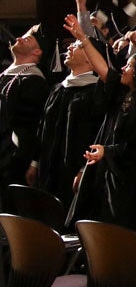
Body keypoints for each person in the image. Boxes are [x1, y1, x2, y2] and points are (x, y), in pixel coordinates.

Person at [64, 15, 136, 235]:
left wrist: (107, 151)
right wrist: (83, 39)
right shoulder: (124, 95)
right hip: (108, 177)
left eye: (129, 66)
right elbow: (103, 70)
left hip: (128, 186)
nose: (124, 69)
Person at [32, 34, 109, 204]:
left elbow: (98, 133)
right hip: (48, 166)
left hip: (75, 169)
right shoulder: (58, 88)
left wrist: (84, 169)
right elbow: (43, 126)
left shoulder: (97, 92)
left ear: (91, 59)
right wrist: (35, 162)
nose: (69, 48)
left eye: (77, 46)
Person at [2, 26, 50, 186]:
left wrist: (34, 162)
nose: (18, 38)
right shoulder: (5, 75)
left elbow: (35, 126)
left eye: (28, 39)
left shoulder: (34, 82)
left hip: (13, 160)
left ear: (37, 52)